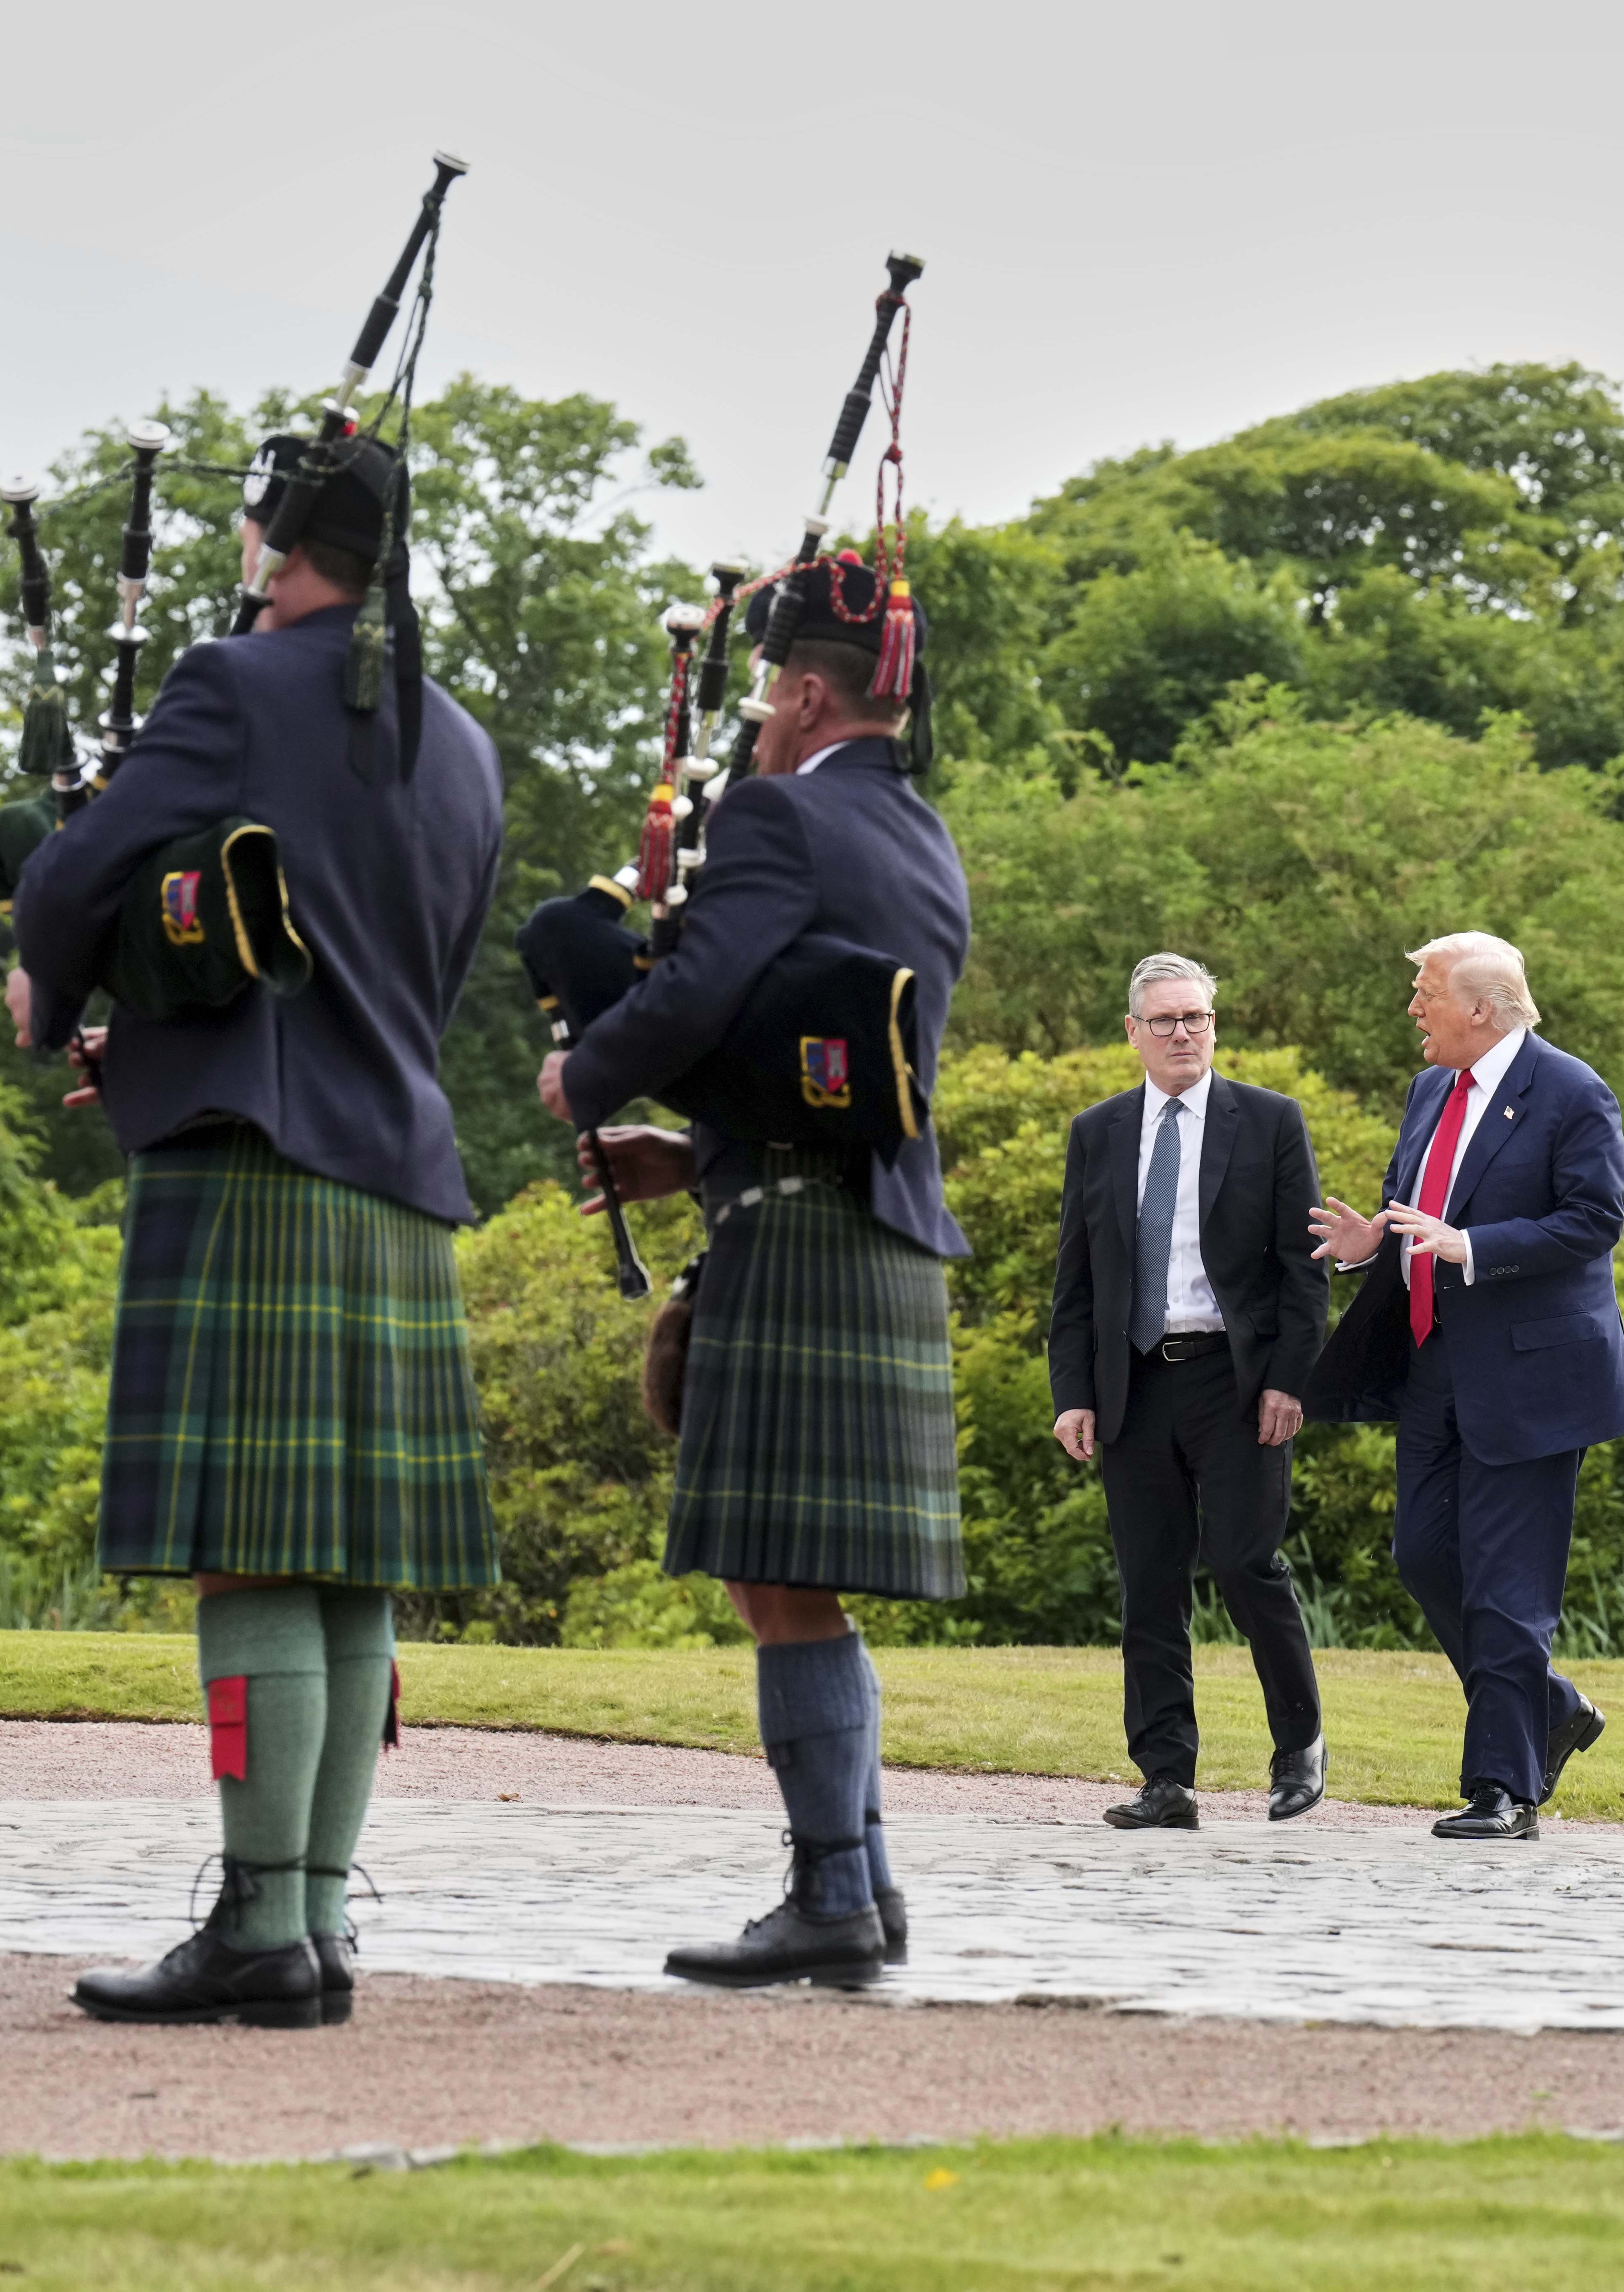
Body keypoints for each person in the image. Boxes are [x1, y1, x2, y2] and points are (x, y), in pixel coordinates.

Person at [9, 436, 506, 2029]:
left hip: (258, 1162)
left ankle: (253, 1919)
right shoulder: (467, 747)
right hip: (399, 1166)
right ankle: (309, 1922)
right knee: (350, 1564)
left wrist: (59, 987)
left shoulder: (232, 684)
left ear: (275, 542)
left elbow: (79, 871)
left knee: (247, 1547)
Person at [541, 552, 969, 1991]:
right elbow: (810, 1037)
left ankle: (836, 1895)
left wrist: (582, 1071)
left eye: (771, 701)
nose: (760, 729)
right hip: (863, 1208)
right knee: (789, 1578)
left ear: (800, 693)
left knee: (779, 1579)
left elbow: (695, 994)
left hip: (801, 1231)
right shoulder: (921, 834)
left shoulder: (782, 815)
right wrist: (697, 1145)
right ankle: (868, 1880)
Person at [1304, 933, 1624, 1840]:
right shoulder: (1428, 1091)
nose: (1413, 1007)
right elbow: (1409, 1199)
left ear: (1483, 1008)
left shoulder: (1572, 1091)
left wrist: (1474, 1246)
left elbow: (1595, 1219)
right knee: (1423, 1554)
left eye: (1426, 992)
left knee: (1505, 1585)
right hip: (1433, 1365)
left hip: (1532, 1378)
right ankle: (1551, 1708)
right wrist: (1376, 1242)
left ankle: (1504, 1789)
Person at [1049, 954, 1330, 1829]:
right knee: (1150, 1583)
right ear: (1133, 1032)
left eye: (1197, 1018)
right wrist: (1073, 1392)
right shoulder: (1097, 1131)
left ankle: (1299, 1748)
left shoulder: (1270, 1121)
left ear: (1214, 1023)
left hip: (1236, 1382)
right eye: (1165, 1021)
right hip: (1132, 1381)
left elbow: (1302, 1273)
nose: (1183, 1034)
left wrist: (1289, 1377)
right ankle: (1165, 1777)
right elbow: (1074, 1282)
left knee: (1247, 1562)